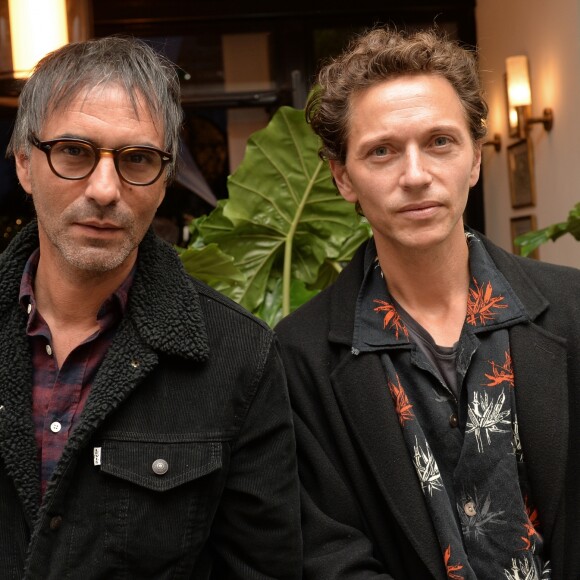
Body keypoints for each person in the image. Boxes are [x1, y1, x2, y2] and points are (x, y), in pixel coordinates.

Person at [275, 26, 580, 580]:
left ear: (475, 160)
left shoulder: (574, 308)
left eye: (440, 141)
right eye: (382, 151)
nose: (415, 176)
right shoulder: (300, 356)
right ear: (344, 178)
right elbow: (326, 553)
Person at [1, 36, 301, 578]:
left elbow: (262, 566)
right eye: (74, 151)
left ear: (165, 180)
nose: (104, 188)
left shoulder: (238, 355)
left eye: (138, 159)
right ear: (25, 163)